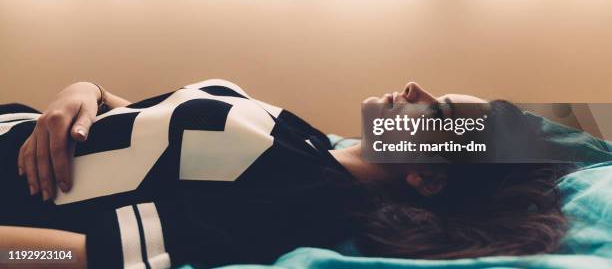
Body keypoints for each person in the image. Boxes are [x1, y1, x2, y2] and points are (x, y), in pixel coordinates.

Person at [0, 79, 572, 269]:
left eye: (439, 113)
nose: (416, 87)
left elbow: (77, 253)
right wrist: (83, 91)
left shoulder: (299, 204)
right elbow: (143, 132)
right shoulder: (309, 140)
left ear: (429, 177)